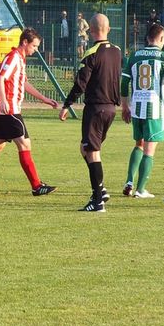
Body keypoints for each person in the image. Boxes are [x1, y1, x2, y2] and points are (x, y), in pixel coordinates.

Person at [59, 13, 121, 212]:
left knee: (93, 152)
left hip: (96, 108)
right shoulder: (117, 52)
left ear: (90, 30)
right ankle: (100, 190)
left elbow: (80, 83)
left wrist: (67, 104)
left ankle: (98, 201)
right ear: (108, 29)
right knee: (85, 148)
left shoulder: (91, 52)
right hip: (111, 108)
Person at [0, 27, 58, 196]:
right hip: (9, 109)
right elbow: (0, 77)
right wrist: (4, 100)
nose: (35, 50)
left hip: (5, 109)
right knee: (24, 144)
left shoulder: (20, 58)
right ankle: (36, 186)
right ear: (25, 42)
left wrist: (44, 99)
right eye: (34, 46)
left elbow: (24, 84)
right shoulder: (13, 57)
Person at [121, 24, 164, 198]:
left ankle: (129, 182)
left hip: (136, 108)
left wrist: (125, 106)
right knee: (149, 150)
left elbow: (124, 83)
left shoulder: (134, 56)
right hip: (154, 109)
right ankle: (140, 190)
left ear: (147, 38)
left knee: (138, 144)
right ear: (162, 38)